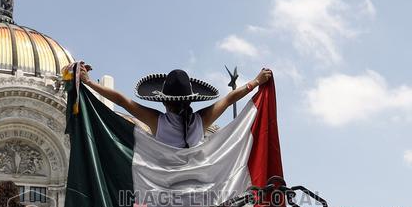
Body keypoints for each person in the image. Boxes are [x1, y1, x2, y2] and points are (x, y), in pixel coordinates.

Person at [71, 63, 273, 149]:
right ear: (191, 100)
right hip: (199, 193)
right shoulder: (201, 120)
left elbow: (123, 101)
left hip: (164, 198)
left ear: (163, 100)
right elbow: (229, 99)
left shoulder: (157, 121)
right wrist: (256, 81)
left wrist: (89, 82)